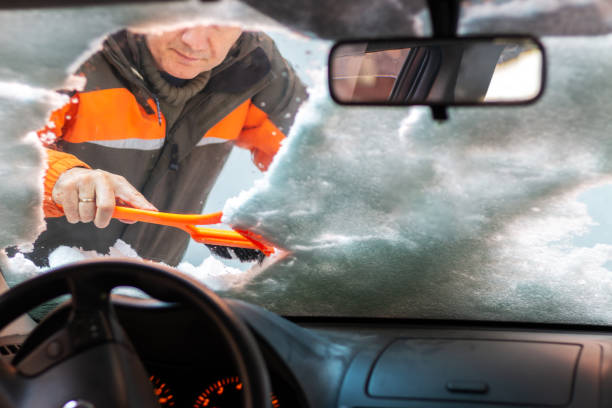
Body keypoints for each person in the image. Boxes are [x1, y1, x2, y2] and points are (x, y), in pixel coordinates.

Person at [29, 24, 307, 266]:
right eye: (180, 15)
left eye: (221, 23)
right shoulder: (71, 53)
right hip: (29, 292)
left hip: (159, 292)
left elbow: (315, 165)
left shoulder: (255, 65)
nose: (194, 41)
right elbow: (10, 151)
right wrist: (63, 176)